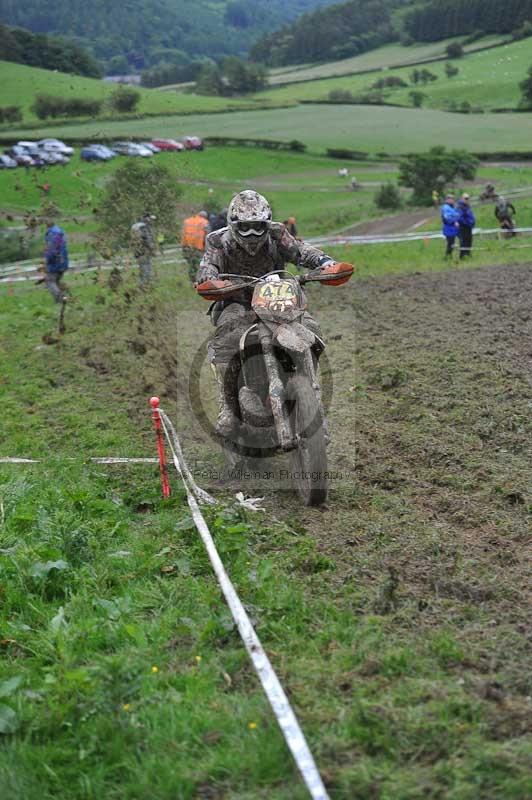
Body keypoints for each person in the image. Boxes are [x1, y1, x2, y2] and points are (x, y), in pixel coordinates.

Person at [195, 190, 350, 438]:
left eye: (258, 226)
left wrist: (325, 262)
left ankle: (310, 395)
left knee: (312, 329)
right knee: (226, 338)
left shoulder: (277, 233)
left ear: (266, 223)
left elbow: (301, 251)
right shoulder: (217, 240)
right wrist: (209, 280)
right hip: (237, 302)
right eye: (245, 227)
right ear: (233, 225)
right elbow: (208, 265)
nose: (252, 233)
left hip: (277, 302)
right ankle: (229, 405)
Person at [43, 219, 69, 303]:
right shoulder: (60, 232)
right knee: (56, 281)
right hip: (63, 260)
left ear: (46, 225)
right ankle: (62, 300)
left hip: (55, 262)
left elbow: (52, 249)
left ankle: (61, 299)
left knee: (49, 280)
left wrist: (47, 260)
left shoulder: (52, 234)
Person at [181, 210, 209, 282]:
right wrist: (207, 249)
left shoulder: (187, 221)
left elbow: (183, 235)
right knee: (200, 265)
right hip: (199, 248)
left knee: (191, 265)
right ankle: (199, 282)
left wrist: (183, 247)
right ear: (205, 217)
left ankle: (192, 281)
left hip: (188, 247)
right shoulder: (204, 222)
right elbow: (207, 236)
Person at [130, 213, 157, 287]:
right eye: (150, 219)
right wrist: (152, 249)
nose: (151, 221)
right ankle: (145, 286)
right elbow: (147, 239)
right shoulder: (144, 227)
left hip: (137, 251)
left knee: (142, 268)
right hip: (145, 251)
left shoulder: (134, 226)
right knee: (147, 268)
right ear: (146, 218)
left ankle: (142, 284)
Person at [457, 193, 476, 259]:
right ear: (462, 198)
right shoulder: (460, 207)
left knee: (469, 241)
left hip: (469, 227)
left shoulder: (467, 206)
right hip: (463, 227)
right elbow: (460, 218)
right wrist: (467, 223)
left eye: (468, 198)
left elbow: (471, 216)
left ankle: (468, 254)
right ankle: (462, 256)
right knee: (463, 241)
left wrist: (472, 222)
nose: (467, 200)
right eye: (465, 198)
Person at [440, 194, 460, 258]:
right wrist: (454, 222)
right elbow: (447, 218)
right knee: (450, 243)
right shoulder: (446, 207)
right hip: (448, 228)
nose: (453, 200)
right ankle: (447, 257)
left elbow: (456, 215)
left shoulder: (451, 207)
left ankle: (449, 256)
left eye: (453, 199)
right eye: (451, 199)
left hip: (452, 228)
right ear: (447, 200)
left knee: (452, 243)